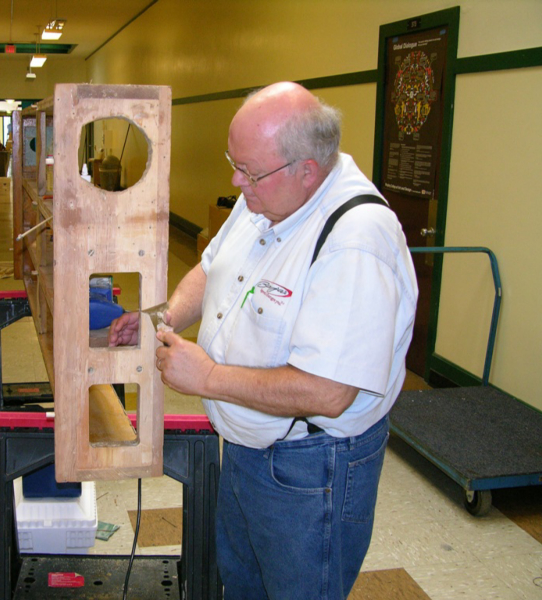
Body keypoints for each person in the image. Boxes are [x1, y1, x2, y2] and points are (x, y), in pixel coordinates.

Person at [109, 82, 418, 599]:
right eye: (235, 162)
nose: (236, 180)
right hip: (249, 447)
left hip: (310, 466)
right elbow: (213, 270)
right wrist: (162, 317)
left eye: (248, 171)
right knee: (244, 582)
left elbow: (328, 392)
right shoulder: (266, 196)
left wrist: (207, 378)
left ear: (308, 171)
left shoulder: (355, 240)